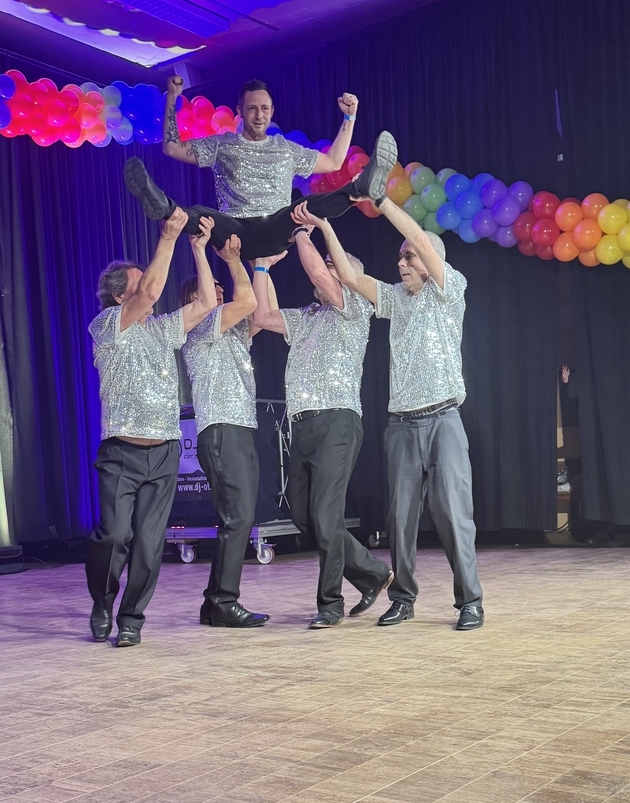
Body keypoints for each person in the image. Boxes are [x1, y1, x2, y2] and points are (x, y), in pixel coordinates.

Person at [328, 199, 484, 631]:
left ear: (431, 262)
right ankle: (403, 598)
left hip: (444, 419)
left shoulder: (449, 289)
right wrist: (323, 225)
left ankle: (470, 601)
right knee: (399, 518)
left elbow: (419, 238)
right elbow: (350, 277)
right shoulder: (395, 299)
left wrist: (382, 202)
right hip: (401, 423)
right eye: (399, 257)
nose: (401, 262)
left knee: (454, 514)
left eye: (409, 256)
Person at [251, 201, 391, 628]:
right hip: (302, 426)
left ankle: (330, 604)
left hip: (337, 421)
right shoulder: (307, 317)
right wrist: (262, 268)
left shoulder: (354, 308)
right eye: (327, 264)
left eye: (333, 266)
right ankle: (371, 573)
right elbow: (262, 316)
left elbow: (318, 275)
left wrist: (300, 232)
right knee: (303, 516)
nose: (324, 269)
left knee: (327, 515)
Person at [86, 209, 216, 647]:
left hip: (163, 453)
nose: (151, 291)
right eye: (140, 285)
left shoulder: (161, 330)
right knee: (114, 535)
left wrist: (198, 249)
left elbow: (206, 303)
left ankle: (131, 620)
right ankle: (102, 602)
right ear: (120, 295)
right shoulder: (107, 326)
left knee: (148, 542)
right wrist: (169, 236)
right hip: (121, 452)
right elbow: (152, 291)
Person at [122, 76, 398, 261]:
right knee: (203, 214)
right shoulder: (222, 145)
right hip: (235, 230)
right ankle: (162, 206)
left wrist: (350, 116)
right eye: (252, 109)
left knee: (305, 206)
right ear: (240, 111)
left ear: (272, 111)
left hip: (276, 229)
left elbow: (334, 162)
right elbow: (172, 148)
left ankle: (359, 189)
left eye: (265, 109)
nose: (259, 115)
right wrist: (172, 97)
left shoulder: (285, 148)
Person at [179, 224, 275, 629]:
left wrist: (262, 267)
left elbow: (261, 311)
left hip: (238, 427)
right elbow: (246, 299)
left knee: (237, 517)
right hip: (221, 428)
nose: (220, 293)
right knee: (238, 517)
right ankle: (223, 601)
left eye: (222, 289)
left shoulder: (231, 332)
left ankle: (214, 602)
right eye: (212, 290)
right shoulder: (199, 327)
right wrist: (233, 262)